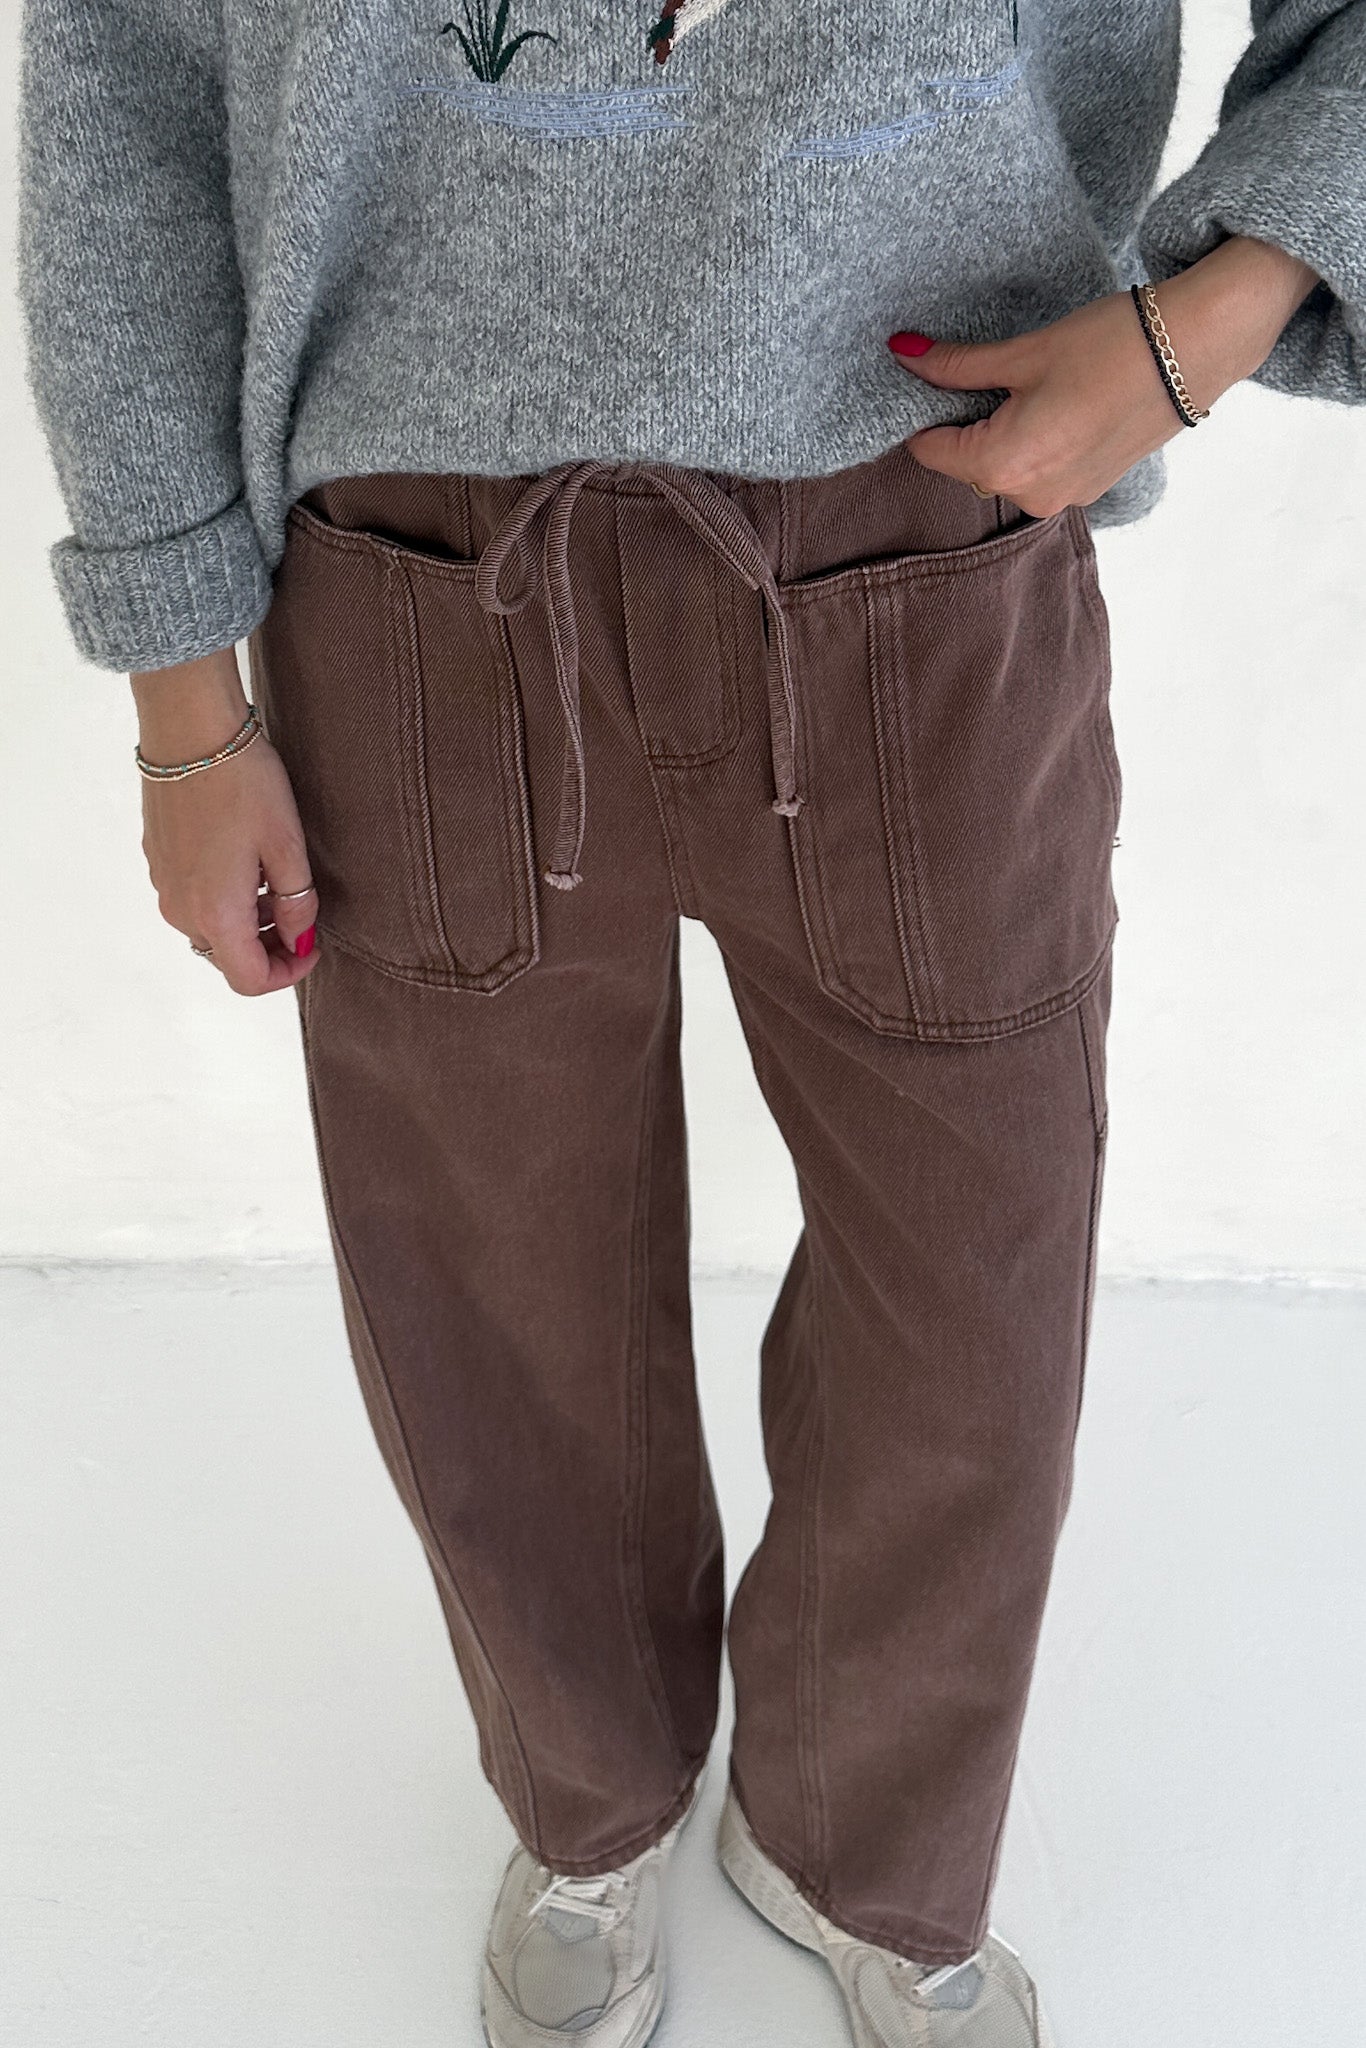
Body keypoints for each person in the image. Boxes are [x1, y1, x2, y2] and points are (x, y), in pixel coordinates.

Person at [17, 4, 1362, 2044]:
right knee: (487, 1281)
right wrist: (179, 695)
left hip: (930, 516)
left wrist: (1217, 312)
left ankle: (860, 1835)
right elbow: (117, 72)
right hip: (410, 556)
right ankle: (589, 1793)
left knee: (971, 1283)